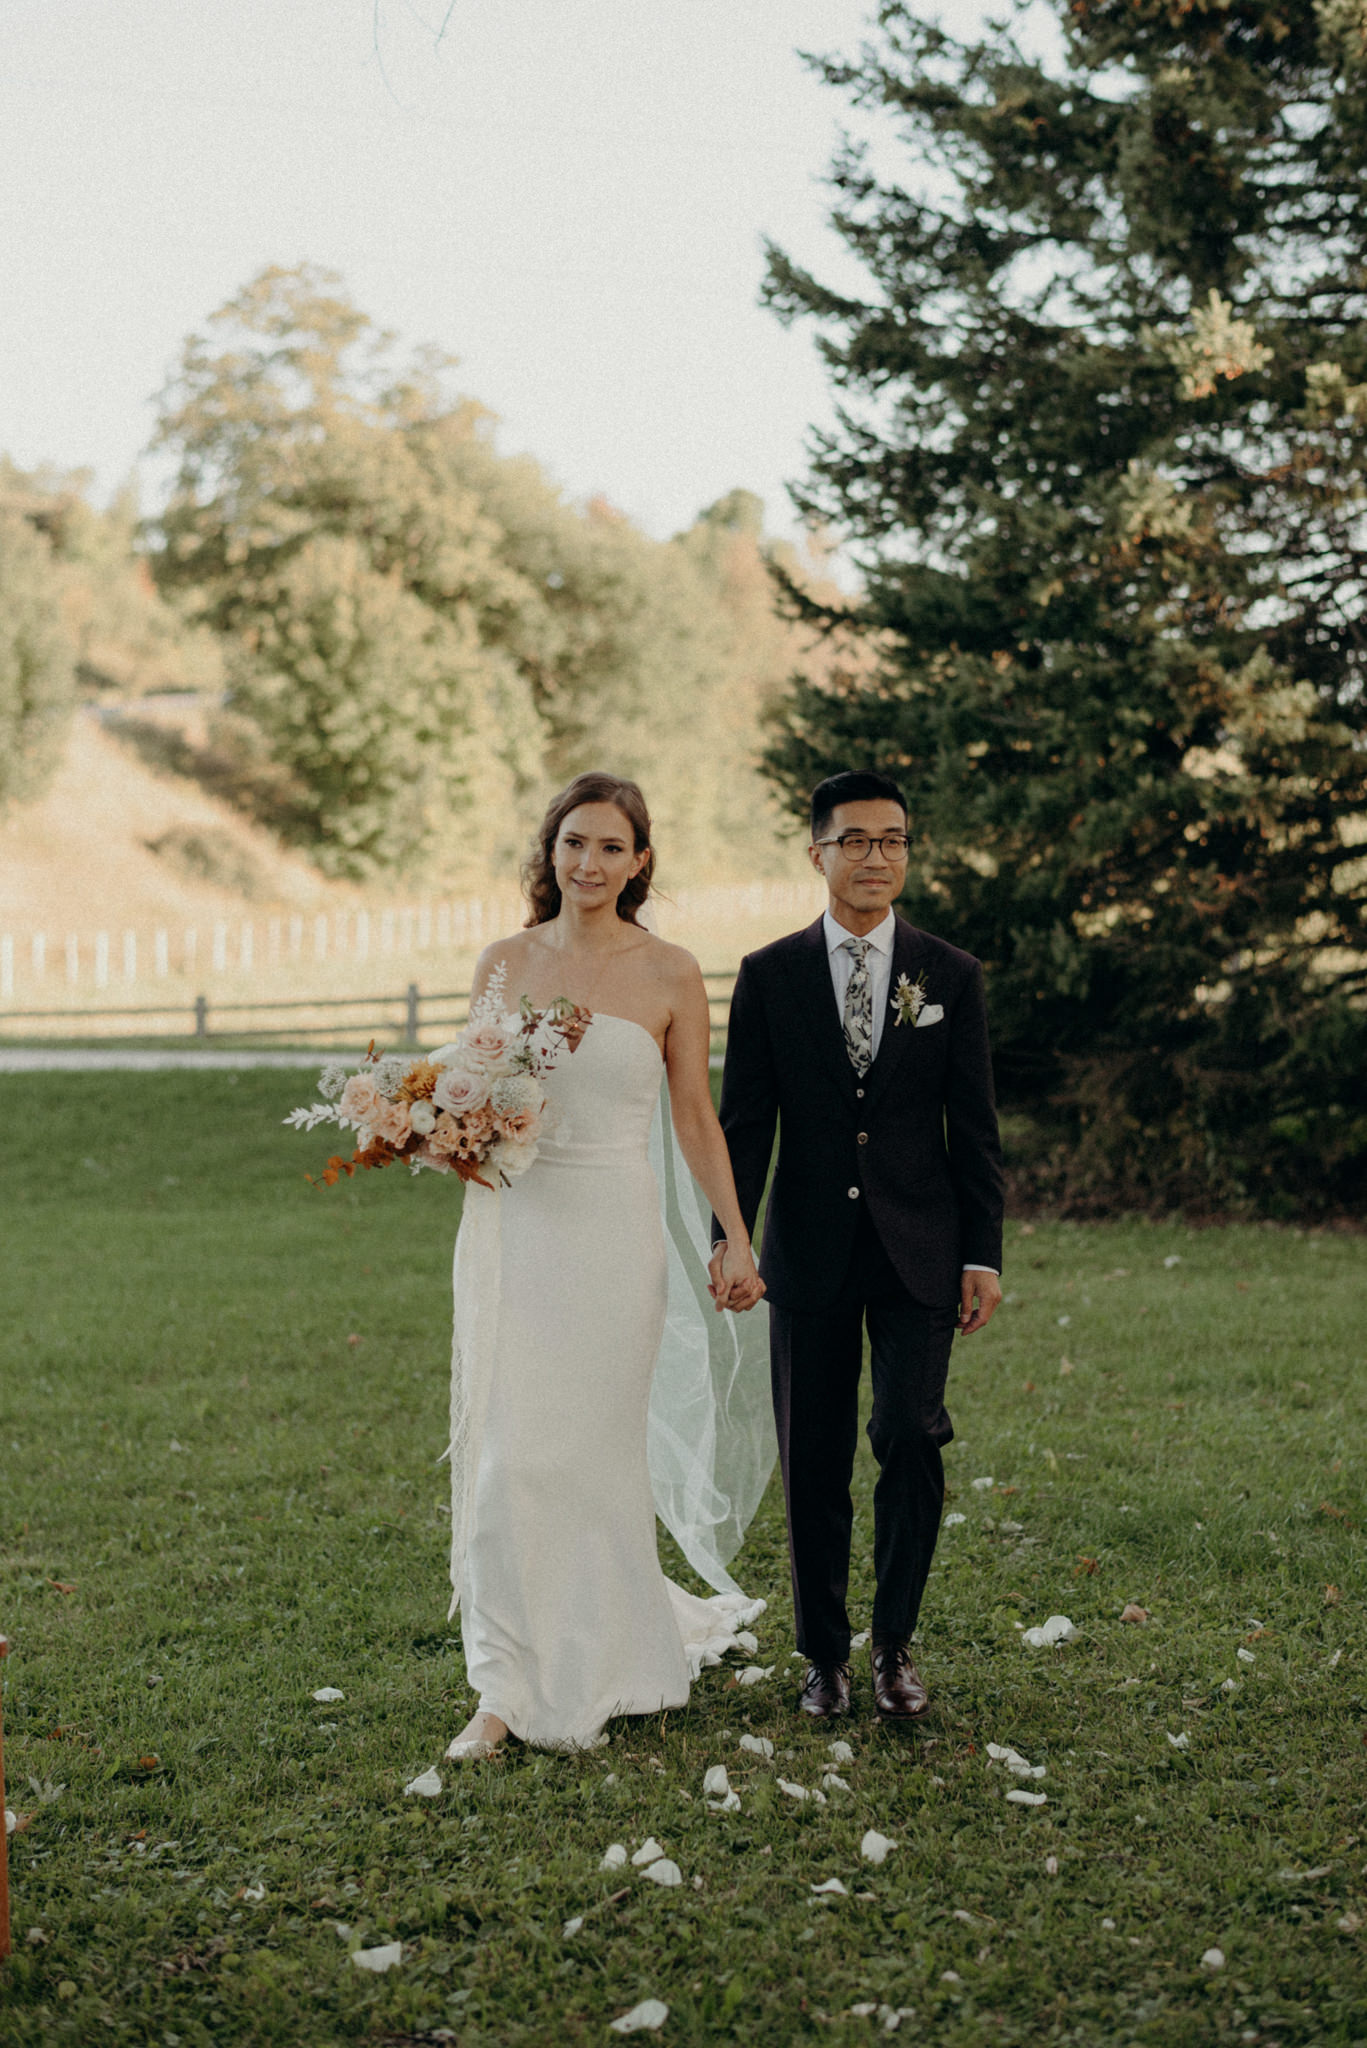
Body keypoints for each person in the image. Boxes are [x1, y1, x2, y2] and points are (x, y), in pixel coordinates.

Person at [441, 772, 770, 1761]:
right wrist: (444, 1132)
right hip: (521, 1227)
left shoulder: (670, 971)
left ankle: (610, 1654)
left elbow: (692, 1116)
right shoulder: (504, 961)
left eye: (609, 847)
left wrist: (734, 1234)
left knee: (590, 1453)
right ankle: (502, 1682)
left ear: (638, 860)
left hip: (617, 1237)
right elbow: (467, 1096)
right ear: (549, 851)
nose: (588, 863)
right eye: (572, 842)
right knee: (510, 1457)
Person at [710, 769, 1004, 1723]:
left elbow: (976, 1126)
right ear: (817, 855)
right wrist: (731, 1240)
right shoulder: (769, 975)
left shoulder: (948, 974)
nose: (876, 856)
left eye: (893, 841)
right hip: (809, 1250)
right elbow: (744, 1122)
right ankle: (824, 1657)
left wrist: (982, 1253)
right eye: (856, 841)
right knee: (814, 1454)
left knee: (910, 1437)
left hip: (922, 1246)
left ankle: (893, 1648)